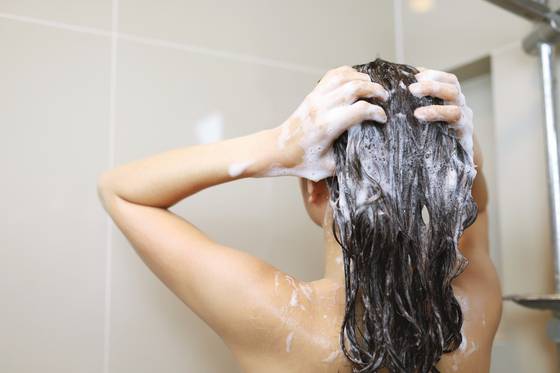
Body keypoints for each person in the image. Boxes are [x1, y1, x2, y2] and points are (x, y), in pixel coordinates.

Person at [97, 64, 502, 372]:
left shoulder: (275, 317)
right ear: (443, 188)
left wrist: (277, 146)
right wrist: (469, 155)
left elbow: (122, 192)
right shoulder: (471, 311)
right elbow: (478, 209)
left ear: (313, 187)